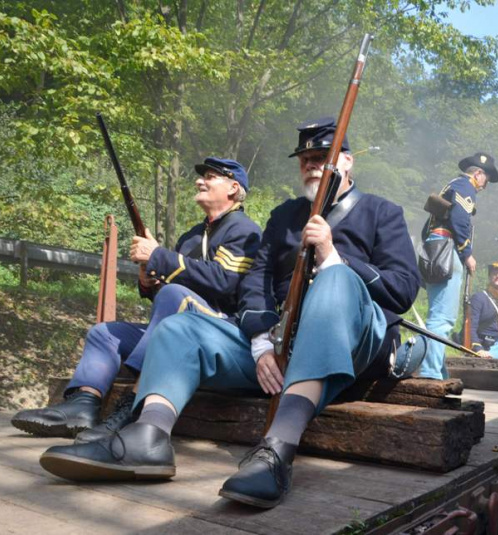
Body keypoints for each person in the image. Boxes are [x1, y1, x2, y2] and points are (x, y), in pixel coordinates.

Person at [38, 117, 421, 511]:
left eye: (321, 156)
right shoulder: (284, 216)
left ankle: (276, 449)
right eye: (305, 158)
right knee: (179, 327)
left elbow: (403, 290)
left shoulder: (381, 212)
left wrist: (333, 257)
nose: (311, 165)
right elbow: (255, 283)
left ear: (347, 161)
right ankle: (147, 437)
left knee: (336, 279)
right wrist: (260, 343)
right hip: (282, 345)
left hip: (352, 342)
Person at [12, 158, 261, 441]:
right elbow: (166, 293)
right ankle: (82, 405)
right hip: (180, 327)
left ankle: (131, 406)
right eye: (202, 175)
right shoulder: (191, 236)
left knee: (173, 295)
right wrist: (148, 277)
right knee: (104, 333)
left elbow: (224, 282)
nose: (200, 181)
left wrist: (159, 257)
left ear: (233, 187)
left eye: (211, 176)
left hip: (223, 331)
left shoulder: (245, 230)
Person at [417, 152, 498, 379]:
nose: (486, 185)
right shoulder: (465, 187)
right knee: (442, 318)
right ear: (479, 173)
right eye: (486, 179)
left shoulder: (452, 186)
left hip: (435, 247)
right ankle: (430, 373)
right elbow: (460, 220)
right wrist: (467, 253)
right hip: (447, 248)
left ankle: (437, 369)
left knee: (436, 314)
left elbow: (427, 228)